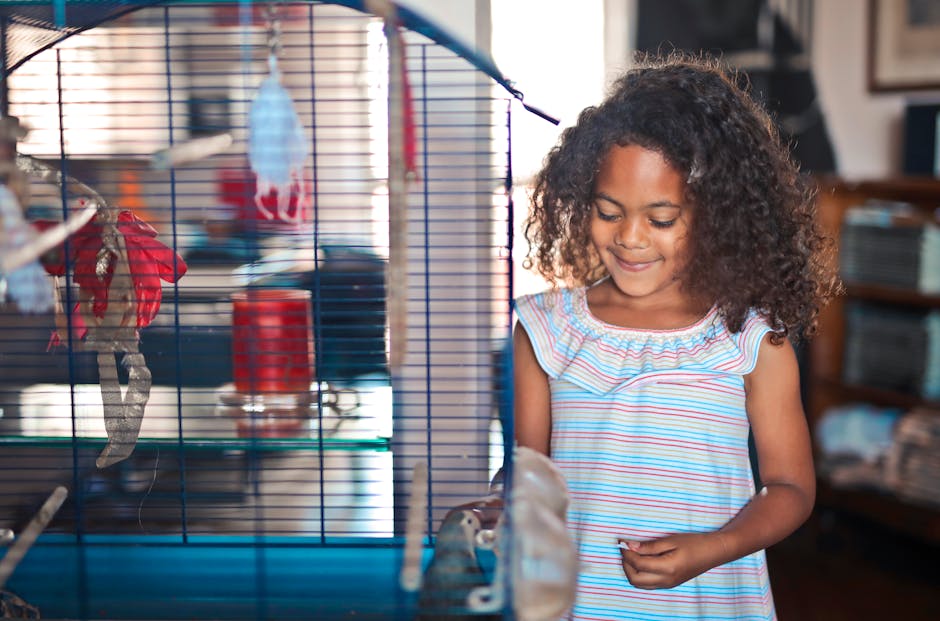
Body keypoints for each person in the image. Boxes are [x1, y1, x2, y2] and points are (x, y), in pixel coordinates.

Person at [512, 53, 839, 620]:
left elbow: (791, 488)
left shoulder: (751, 338)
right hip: (581, 603)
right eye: (608, 211)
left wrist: (716, 547)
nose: (630, 238)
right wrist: (498, 504)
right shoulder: (546, 330)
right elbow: (529, 472)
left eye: (661, 219)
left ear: (716, 213)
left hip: (708, 602)